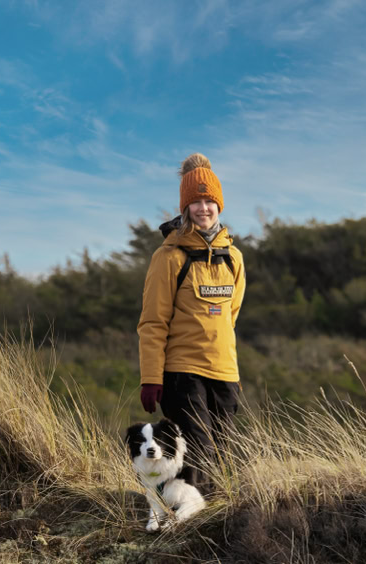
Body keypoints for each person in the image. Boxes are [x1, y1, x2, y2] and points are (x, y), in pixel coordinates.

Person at [137, 153, 245, 492]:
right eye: (195, 201)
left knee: (224, 455)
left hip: (225, 373)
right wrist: (152, 378)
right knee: (200, 453)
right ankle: (195, 527)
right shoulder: (168, 257)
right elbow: (153, 322)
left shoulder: (234, 257)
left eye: (209, 200)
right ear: (185, 207)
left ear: (219, 204)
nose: (203, 208)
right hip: (182, 373)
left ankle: (209, 520)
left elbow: (231, 316)